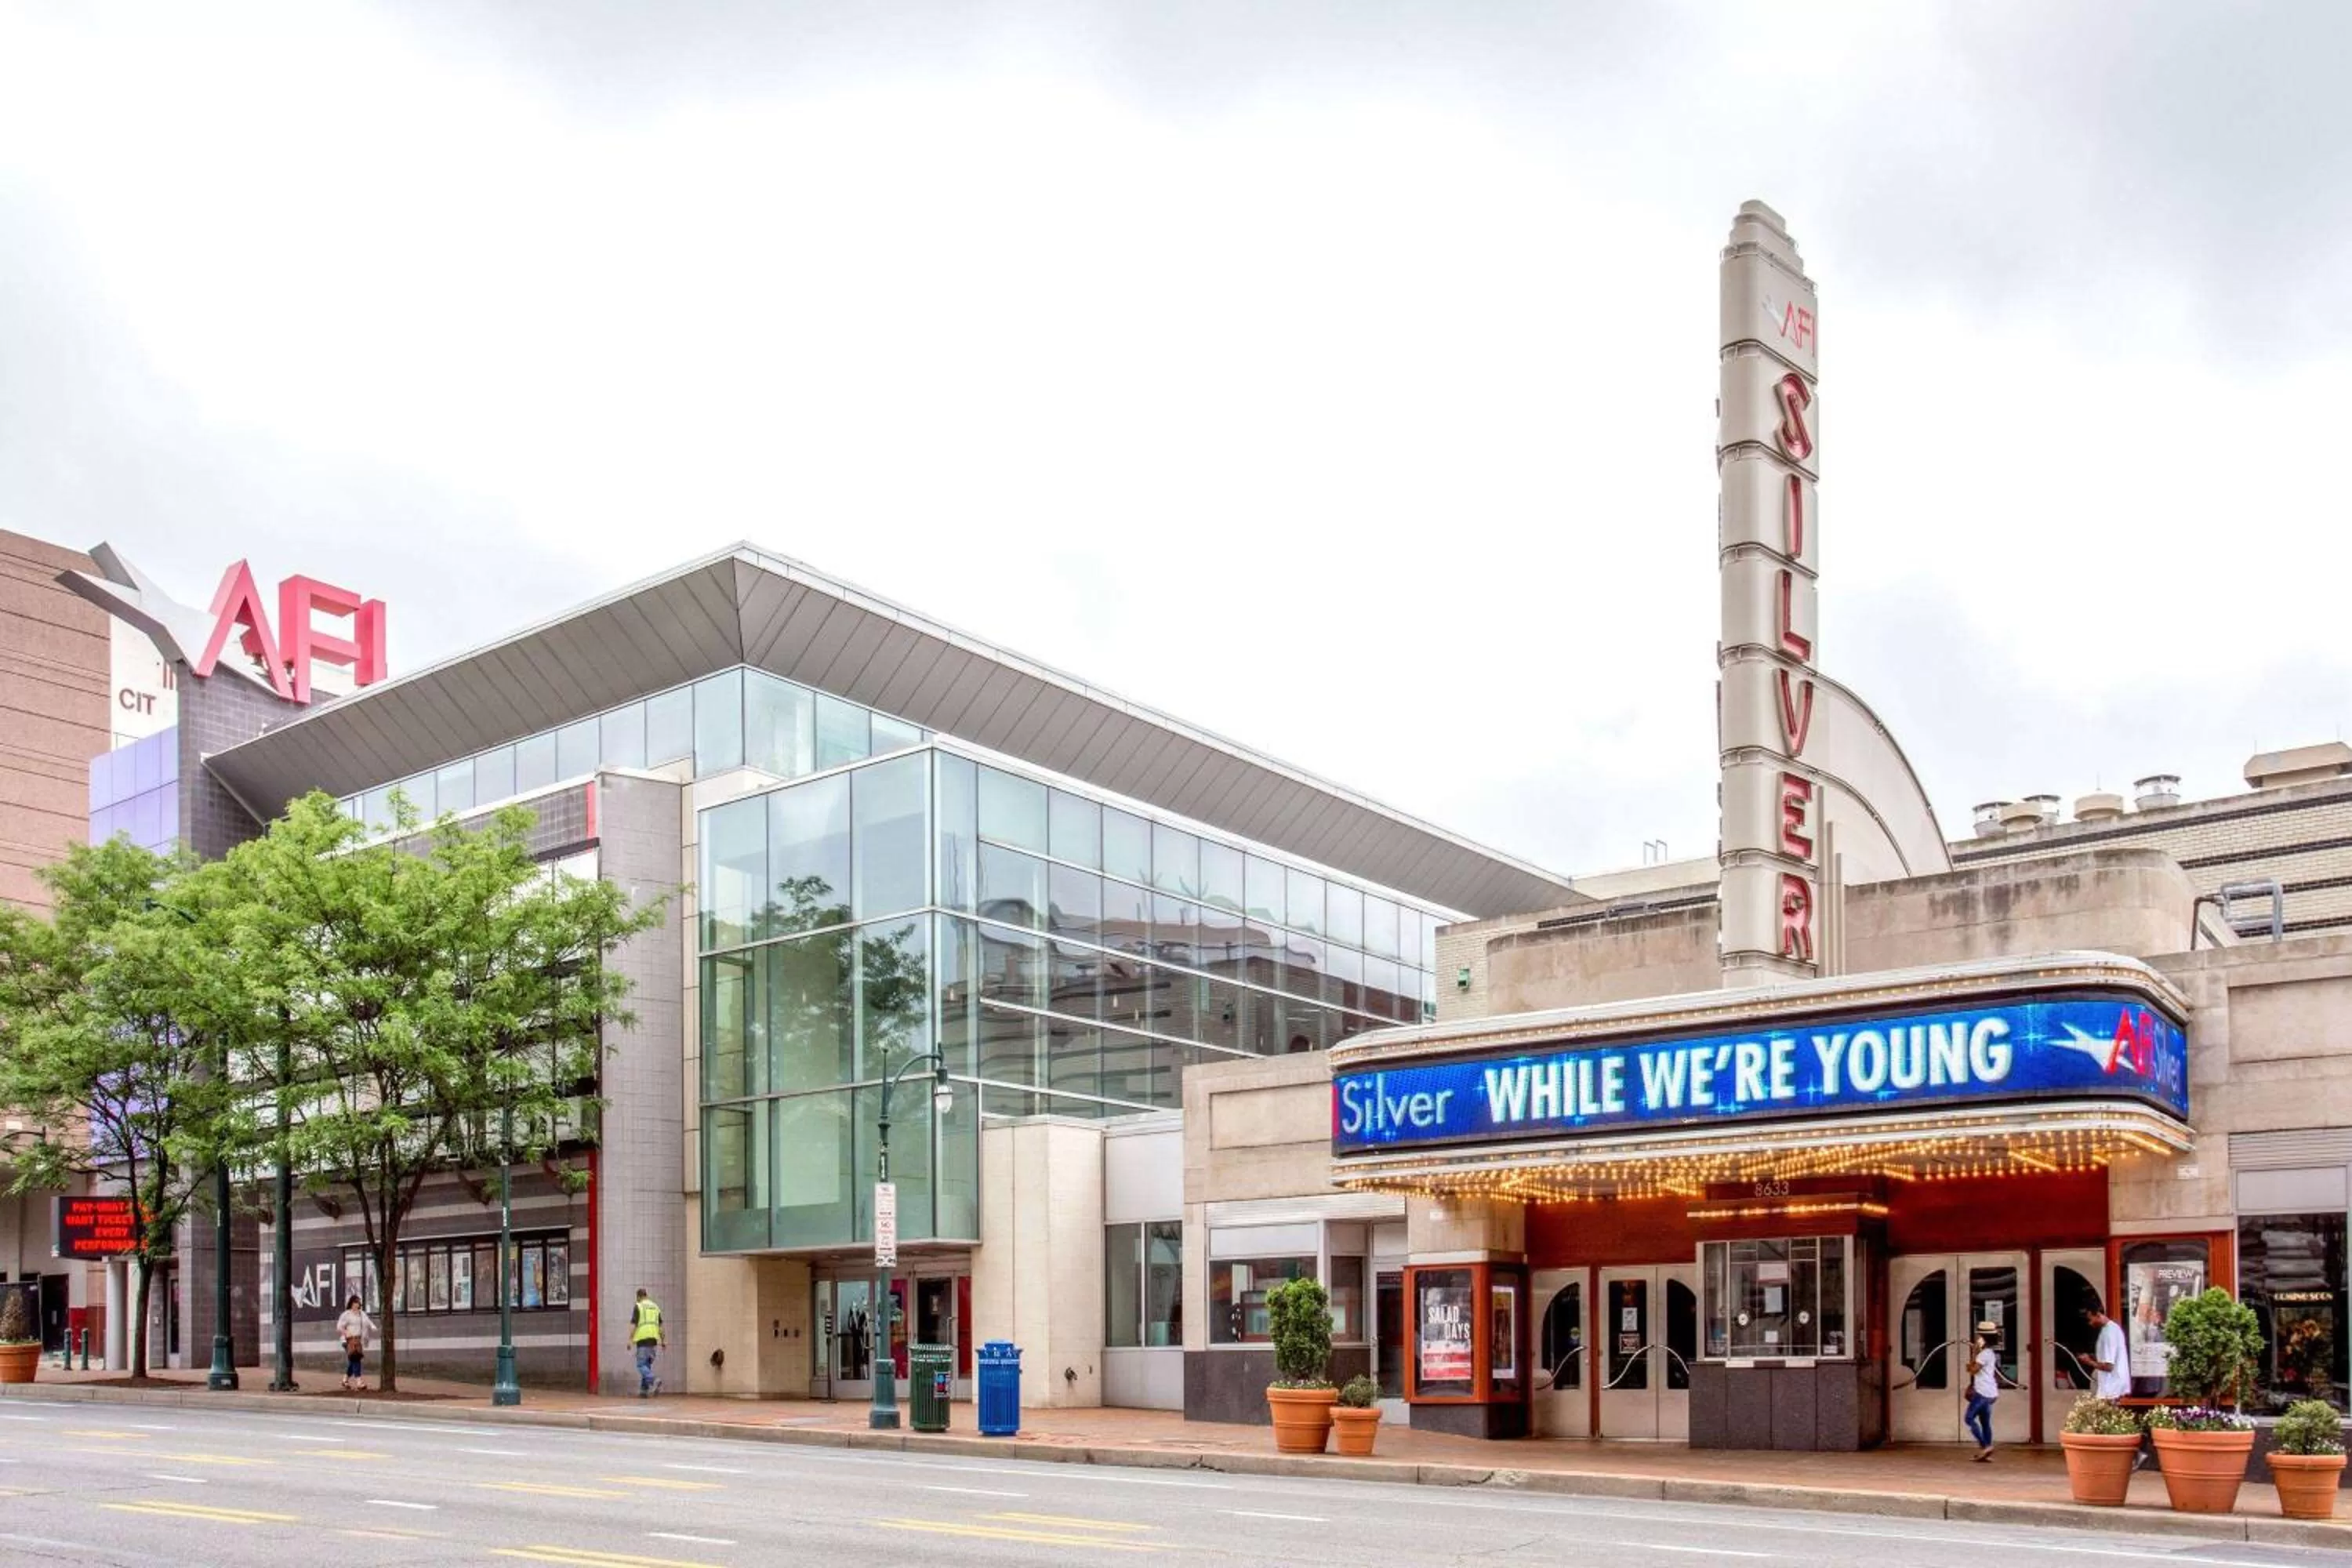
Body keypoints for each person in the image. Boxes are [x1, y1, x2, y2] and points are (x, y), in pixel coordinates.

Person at [1965, 1323, 2002, 1461]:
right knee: (1985, 1421)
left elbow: (1972, 1370)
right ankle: (1986, 1452)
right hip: (1991, 1392)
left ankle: (1985, 1446)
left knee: (1969, 1419)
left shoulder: (1983, 1354)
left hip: (1982, 1392)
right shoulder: (1990, 1353)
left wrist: (1974, 1352)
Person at [2082, 1301, 2132, 1399]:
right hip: (2113, 1387)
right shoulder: (2111, 1329)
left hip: (2112, 1388)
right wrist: (2093, 1357)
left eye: (2090, 1319)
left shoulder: (2109, 1333)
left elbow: (2108, 1366)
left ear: (2097, 1314)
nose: (2090, 1323)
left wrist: (2089, 1362)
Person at [336, 1294, 376, 1392]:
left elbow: (368, 1322)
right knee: (356, 1358)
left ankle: (345, 1380)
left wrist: (372, 1327)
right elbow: (339, 1326)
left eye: (358, 1303)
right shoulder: (347, 1314)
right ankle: (359, 1382)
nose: (357, 1304)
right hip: (348, 1340)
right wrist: (346, 1332)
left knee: (353, 1360)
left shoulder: (361, 1314)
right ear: (351, 1303)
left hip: (358, 1340)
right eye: (355, 1302)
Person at [630, 1287, 665, 1397]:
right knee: (647, 1365)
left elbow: (634, 1325)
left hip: (643, 1340)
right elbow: (660, 1327)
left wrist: (630, 1340)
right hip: (654, 1341)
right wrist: (663, 1341)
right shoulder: (655, 1307)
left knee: (641, 1365)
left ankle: (654, 1380)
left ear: (639, 1296)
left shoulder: (639, 1306)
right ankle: (643, 1391)